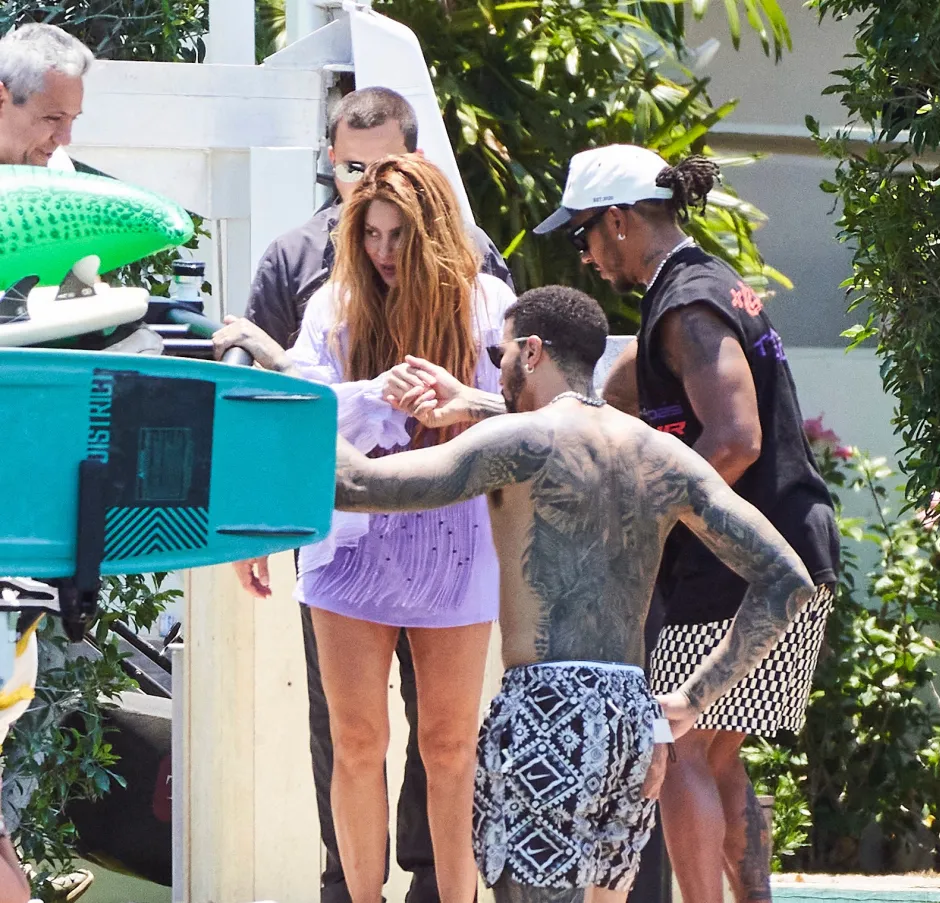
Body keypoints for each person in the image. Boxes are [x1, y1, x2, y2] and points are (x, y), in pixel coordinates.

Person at [228, 283, 816, 903]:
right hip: (631, 716)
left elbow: (358, 485)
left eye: (499, 350)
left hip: (549, 710)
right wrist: (696, 698)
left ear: (531, 352)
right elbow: (786, 577)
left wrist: (289, 379)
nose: (493, 364)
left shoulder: (521, 445)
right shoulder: (661, 455)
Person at [531, 144, 840, 903]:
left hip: (738, 565)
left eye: (584, 236)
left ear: (619, 221)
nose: (587, 255)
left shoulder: (686, 305)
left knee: (679, 745)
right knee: (719, 751)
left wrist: (648, 524)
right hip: (789, 550)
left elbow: (735, 437)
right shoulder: (706, 287)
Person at [218, 154, 515, 903]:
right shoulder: (333, 304)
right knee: (356, 742)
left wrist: (461, 402)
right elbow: (305, 414)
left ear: (437, 236)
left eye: (400, 236)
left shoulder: (486, 305)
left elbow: (526, 417)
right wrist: (374, 392)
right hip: (350, 543)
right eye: (372, 233)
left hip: (453, 539)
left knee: (449, 746)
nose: (383, 251)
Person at [0, 23, 91, 167]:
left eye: (72, 119)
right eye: (53, 118)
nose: (65, 139)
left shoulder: (59, 167)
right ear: (1, 101)